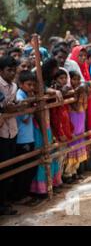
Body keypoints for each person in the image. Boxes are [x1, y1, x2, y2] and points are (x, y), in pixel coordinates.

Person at [14, 71, 37, 203]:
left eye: (33, 85)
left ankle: (25, 193)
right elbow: (25, 119)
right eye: (29, 84)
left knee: (29, 168)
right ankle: (20, 196)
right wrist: (30, 105)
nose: (32, 88)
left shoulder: (26, 95)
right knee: (23, 169)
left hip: (28, 136)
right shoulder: (20, 96)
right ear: (21, 84)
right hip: (22, 138)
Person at [0, 56, 19, 215]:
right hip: (1, 133)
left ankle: (5, 202)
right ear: (1, 71)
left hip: (11, 130)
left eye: (14, 70)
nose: (12, 73)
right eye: (9, 70)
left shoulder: (14, 86)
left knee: (9, 167)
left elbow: (12, 106)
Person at [65, 71, 88, 182]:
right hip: (73, 118)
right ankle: (68, 173)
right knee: (72, 144)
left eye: (78, 79)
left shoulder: (82, 90)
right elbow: (74, 105)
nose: (76, 82)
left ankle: (75, 171)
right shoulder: (69, 91)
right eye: (74, 79)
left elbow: (83, 105)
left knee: (79, 143)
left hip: (80, 118)